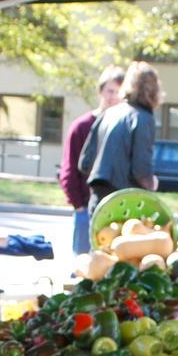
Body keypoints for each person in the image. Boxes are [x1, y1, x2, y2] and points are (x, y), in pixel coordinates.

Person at [60, 65, 124, 255]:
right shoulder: (82, 126)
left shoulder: (124, 129)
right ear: (101, 91)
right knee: (83, 265)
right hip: (86, 207)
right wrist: (78, 204)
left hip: (115, 207)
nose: (113, 97)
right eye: (109, 91)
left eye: (118, 93)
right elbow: (70, 168)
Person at [80, 60, 160, 209]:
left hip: (98, 201)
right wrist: (152, 182)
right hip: (124, 204)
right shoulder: (143, 118)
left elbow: (85, 163)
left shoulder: (108, 113)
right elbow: (141, 169)